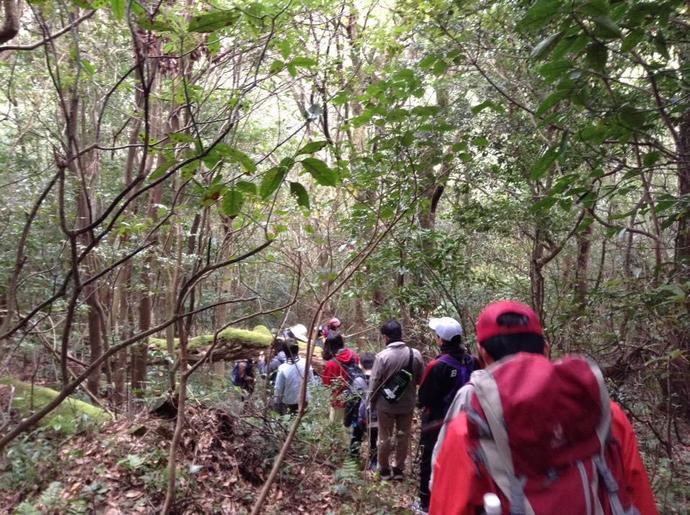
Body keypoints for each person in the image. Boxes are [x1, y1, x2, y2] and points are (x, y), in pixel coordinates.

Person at [430, 300, 658, 515]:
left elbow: (450, 506)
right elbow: (638, 496)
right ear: (546, 349)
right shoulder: (602, 412)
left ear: (483, 354)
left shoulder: (470, 426)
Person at [415, 317, 477, 513]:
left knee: (429, 461)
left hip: (437, 423)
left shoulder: (437, 365)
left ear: (441, 340)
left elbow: (424, 397)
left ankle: (426, 503)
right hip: (467, 421)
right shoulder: (473, 361)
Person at [368, 320, 424, 480]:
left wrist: (370, 402)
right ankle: (399, 470)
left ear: (386, 337)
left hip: (385, 405)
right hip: (407, 403)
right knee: (403, 436)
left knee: (384, 436)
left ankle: (384, 470)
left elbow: (375, 382)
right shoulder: (416, 354)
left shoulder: (382, 357)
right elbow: (421, 378)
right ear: (401, 334)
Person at [322, 333, 361, 425]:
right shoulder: (355, 356)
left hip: (338, 400)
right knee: (351, 426)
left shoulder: (331, 364)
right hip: (355, 397)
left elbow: (327, 385)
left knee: (335, 428)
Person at [350, 352, 377, 464]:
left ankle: (353, 460)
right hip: (377, 417)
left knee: (356, 437)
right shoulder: (380, 380)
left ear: (360, 365)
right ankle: (374, 462)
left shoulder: (358, 381)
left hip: (360, 417)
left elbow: (353, 400)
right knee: (374, 440)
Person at [273, 341, 314, 414]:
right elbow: (312, 382)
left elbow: (278, 389)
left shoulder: (283, 368)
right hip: (305, 401)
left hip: (290, 403)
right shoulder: (306, 363)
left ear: (284, 352)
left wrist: (277, 402)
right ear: (297, 350)